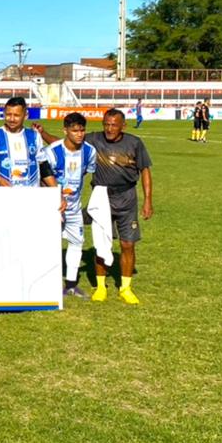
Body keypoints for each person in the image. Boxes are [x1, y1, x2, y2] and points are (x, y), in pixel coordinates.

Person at [84, 109, 153, 304]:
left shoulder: (134, 143)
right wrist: (43, 133)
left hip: (127, 198)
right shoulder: (94, 139)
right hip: (102, 197)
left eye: (114, 125)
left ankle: (125, 288)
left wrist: (148, 200)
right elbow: (69, 144)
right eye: (106, 124)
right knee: (101, 243)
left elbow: (145, 171)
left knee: (127, 244)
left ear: (123, 126)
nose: (109, 128)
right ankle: (100, 287)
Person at [45, 113, 97, 298]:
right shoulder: (52, 151)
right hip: (52, 207)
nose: (79, 134)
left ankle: (71, 285)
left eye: (82, 130)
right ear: (65, 131)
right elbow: (43, 177)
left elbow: (85, 174)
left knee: (77, 243)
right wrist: (57, 195)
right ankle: (46, 283)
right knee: (49, 244)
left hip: (74, 207)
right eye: (75, 130)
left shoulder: (90, 151)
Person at [0, 97, 53, 188]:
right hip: (3, 195)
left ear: (25, 115)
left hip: (30, 196)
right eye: (8, 114)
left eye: (16, 115)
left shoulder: (35, 136)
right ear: (4, 114)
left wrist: (56, 192)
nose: (11, 119)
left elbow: (43, 165)